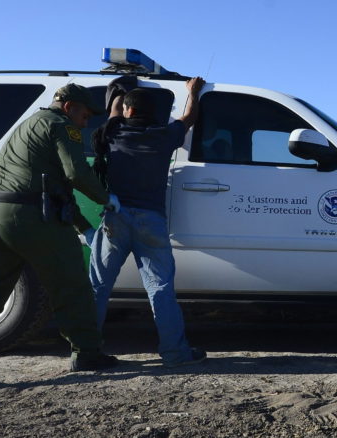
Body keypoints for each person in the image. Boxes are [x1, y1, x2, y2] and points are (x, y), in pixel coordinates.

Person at [0, 84, 123, 390]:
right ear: (68, 107)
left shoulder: (28, 125)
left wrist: (82, 226)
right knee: (72, 283)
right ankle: (87, 353)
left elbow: (56, 186)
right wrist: (106, 198)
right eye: (85, 114)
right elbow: (75, 173)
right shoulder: (62, 126)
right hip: (26, 216)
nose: (86, 122)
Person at [86, 77, 207, 368]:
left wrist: (122, 91)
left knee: (98, 287)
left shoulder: (113, 131)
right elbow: (189, 118)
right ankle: (176, 353)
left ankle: (86, 351)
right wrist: (193, 92)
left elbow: (114, 112)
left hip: (115, 217)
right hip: (150, 220)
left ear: (128, 110)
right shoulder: (165, 135)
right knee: (160, 287)